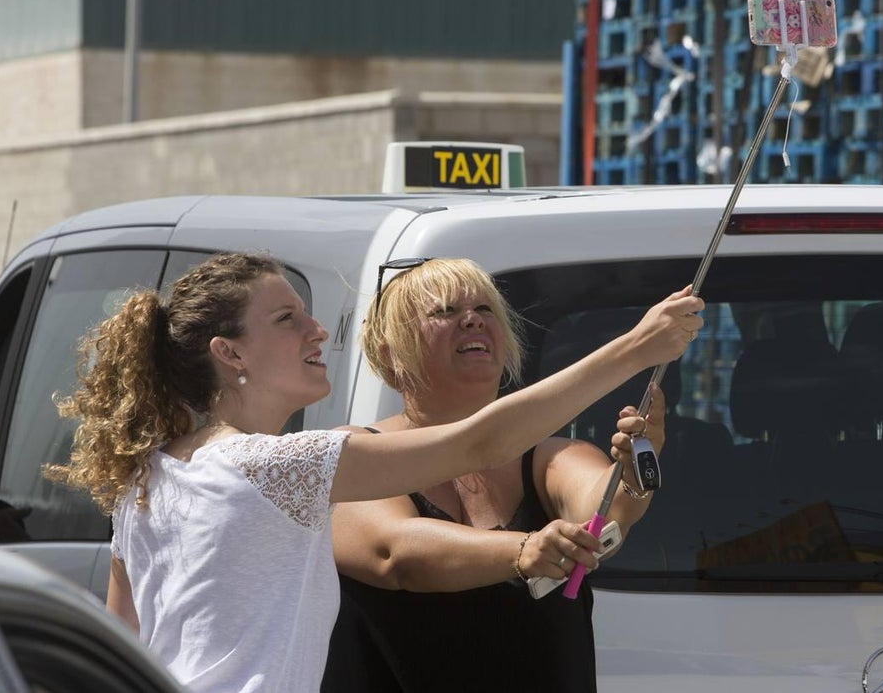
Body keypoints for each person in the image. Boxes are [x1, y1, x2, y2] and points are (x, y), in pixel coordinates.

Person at [43, 251, 705, 693]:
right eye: (286, 318)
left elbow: (119, 648)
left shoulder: (145, 478)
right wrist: (635, 348)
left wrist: (631, 474)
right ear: (228, 352)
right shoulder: (274, 466)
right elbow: (475, 449)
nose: (316, 330)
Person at [321, 258, 689, 693]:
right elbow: (394, 553)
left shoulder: (549, 456)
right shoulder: (351, 452)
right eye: (443, 311)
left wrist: (631, 474)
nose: (472, 320)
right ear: (388, 350)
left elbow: (603, 511)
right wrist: (524, 549)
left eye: (485, 309)